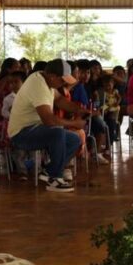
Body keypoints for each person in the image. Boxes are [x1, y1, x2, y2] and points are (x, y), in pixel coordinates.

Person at [7, 59, 85, 192]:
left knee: (74, 140)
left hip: (35, 129)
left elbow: (60, 100)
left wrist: (80, 110)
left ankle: (49, 171)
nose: (64, 83)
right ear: (52, 76)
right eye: (62, 80)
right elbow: (49, 120)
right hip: (21, 133)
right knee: (57, 132)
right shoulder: (38, 85)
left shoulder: (45, 80)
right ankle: (55, 178)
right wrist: (74, 123)